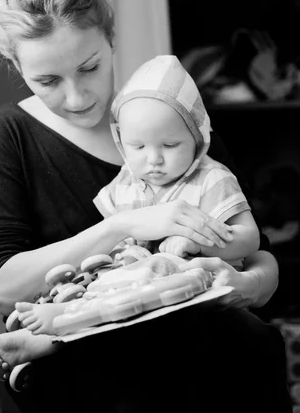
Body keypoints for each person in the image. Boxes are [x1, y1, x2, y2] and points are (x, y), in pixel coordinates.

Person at [0, 0, 295, 413]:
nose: (76, 97)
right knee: (163, 374)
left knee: (253, 345)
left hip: (192, 337)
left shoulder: (167, 117)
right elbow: (6, 284)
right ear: (16, 66)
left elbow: (258, 256)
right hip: (67, 357)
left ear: (111, 38)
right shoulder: (8, 133)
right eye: (47, 81)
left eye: (90, 67)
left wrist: (246, 285)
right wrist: (123, 226)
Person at [13, 52, 260, 336]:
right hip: (132, 290)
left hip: (192, 293)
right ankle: (61, 315)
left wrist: (199, 244)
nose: (153, 159)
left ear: (197, 137)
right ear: (121, 141)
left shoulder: (212, 179)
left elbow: (250, 239)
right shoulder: (125, 183)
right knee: (103, 280)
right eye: (138, 147)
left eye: (169, 144)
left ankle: (59, 329)